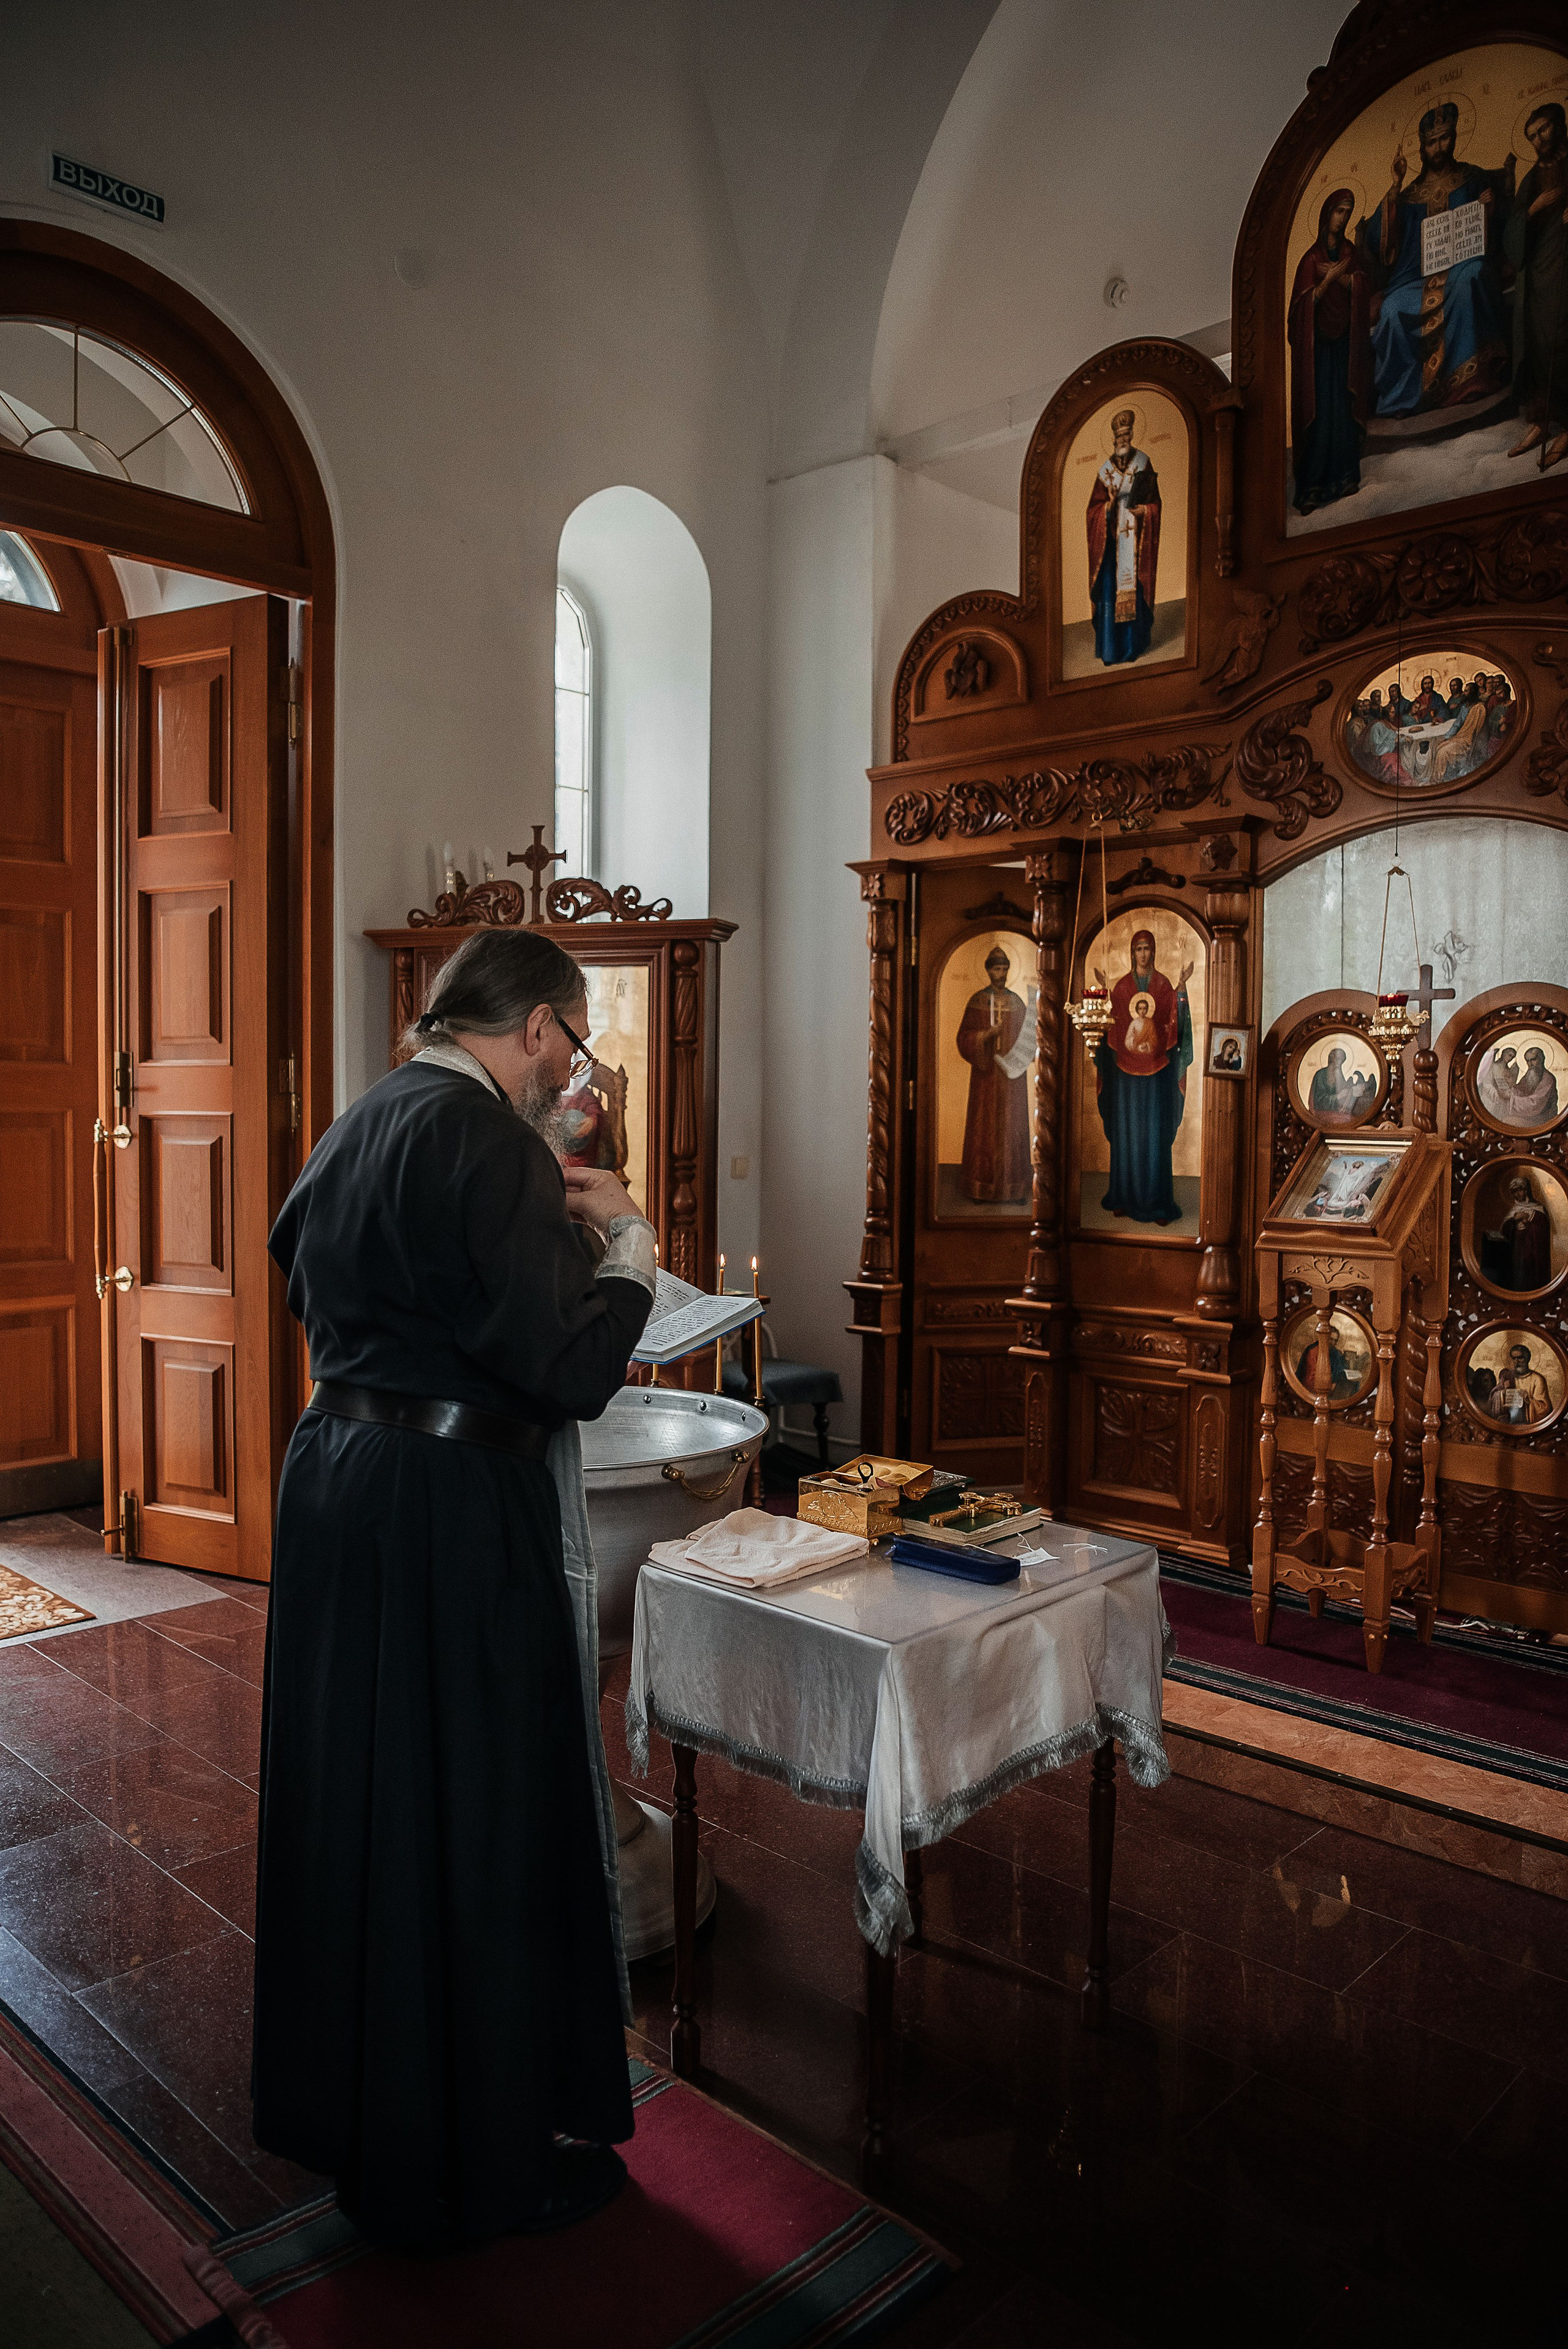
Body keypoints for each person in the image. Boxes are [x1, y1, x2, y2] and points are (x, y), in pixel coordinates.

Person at [254, 927, 656, 2252]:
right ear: (535, 1025)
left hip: (338, 1482)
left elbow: (295, 1259)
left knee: (366, 1804)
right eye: (569, 1044)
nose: (567, 1072)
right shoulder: (488, 1140)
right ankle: (485, 2161)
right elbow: (567, 1369)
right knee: (476, 1809)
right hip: (447, 1507)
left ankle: (376, 2128)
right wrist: (630, 1251)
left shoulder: (359, 1118)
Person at [1358, 104, 1511, 420]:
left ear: (1454, 138)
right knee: (1392, 309)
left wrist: (1490, 207)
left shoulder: (1473, 178)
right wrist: (1396, 186)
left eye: (1444, 139)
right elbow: (1377, 240)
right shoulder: (1409, 195)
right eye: (1432, 142)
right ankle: (1404, 397)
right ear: (1422, 148)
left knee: (1471, 277)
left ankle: (1469, 381)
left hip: (1462, 266)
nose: (1439, 148)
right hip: (1416, 278)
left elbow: (1502, 224)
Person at [1093, 929, 1193, 1223]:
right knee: (1127, 1133)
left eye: (1148, 948)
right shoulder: (1122, 988)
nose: (1143, 954)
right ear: (1132, 953)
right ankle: (1123, 1197)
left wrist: (1182, 989)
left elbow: (1177, 1025)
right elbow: (1111, 1024)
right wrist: (1104, 994)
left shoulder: (1163, 986)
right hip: (1125, 1078)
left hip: (1157, 1077)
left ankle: (1157, 1202)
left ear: (1154, 951)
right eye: (1139, 949)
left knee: (1154, 1134)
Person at [1288, 187, 1373, 515]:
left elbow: (1363, 287)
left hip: (1345, 347)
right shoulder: (1310, 260)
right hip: (1318, 352)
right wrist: (1326, 283)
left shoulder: (1350, 251)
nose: (1343, 218)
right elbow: (1297, 314)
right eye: (1339, 211)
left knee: (1342, 409)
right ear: (1327, 215)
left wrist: (1345, 280)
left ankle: (1347, 476)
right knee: (1321, 412)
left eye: (1348, 212)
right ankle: (1313, 487)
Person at [1504, 102, 1568, 472]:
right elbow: (1514, 231)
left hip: (1565, 265)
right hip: (1538, 274)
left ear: (1558, 125)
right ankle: (1543, 421)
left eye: (1543, 130)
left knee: (1562, 339)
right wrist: (1533, 209)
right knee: (1538, 343)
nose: (1538, 141)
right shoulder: (1532, 178)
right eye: (1531, 136)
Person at [1086, 409, 1161, 666]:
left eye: (1127, 435)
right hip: (1110, 545)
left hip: (1135, 542)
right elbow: (1092, 510)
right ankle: (1110, 651)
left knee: (1133, 592)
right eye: (1120, 437)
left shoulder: (1143, 462)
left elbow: (1155, 502)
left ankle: (1132, 648)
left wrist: (1145, 512)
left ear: (1132, 435)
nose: (1124, 440)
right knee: (1110, 593)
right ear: (1114, 439)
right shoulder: (1105, 471)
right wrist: (1107, 507)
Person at [957, 944, 1031, 1202]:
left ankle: (1015, 1188)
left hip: (1012, 1077)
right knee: (984, 1126)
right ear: (988, 971)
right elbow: (964, 1038)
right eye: (997, 969)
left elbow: (1027, 1036)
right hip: (986, 1077)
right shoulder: (977, 1001)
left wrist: (1024, 1049)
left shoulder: (1017, 1002)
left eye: (1004, 969)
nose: (1001, 974)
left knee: (1013, 1124)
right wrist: (986, 1036)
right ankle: (980, 1187)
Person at [1480, 1171, 1552, 1292]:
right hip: (1516, 1250)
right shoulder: (1514, 1210)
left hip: (1533, 1251)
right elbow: (1505, 1231)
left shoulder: (1538, 1209)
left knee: (1530, 1276)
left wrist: (1528, 1222)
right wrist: (1513, 1221)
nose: (1519, 1194)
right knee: (1518, 1275)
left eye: (1520, 1190)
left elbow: (1544, 1230)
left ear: (1526, 1190)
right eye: (1515, 1191)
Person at [1486, 1341, 1553, 1425]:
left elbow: (1545, 1409)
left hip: (1528, 1424)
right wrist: (1503, 1393)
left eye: (1520, 1358)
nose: (1517, 1362)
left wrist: (1528, 1400)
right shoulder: (1508, 1376)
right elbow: (1493, 1399)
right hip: (1508, 1423)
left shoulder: (1538, 1379)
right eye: (1514, 1358)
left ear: (1527, 1359)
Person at [1513, 1044, 1561, 1126]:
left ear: (1541, 1059)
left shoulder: (1548, 1079)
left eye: (1533, 1060)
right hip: (1529, 1116)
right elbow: (1519, 1089)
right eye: (1528, 1061)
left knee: (1510, 1121)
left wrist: (1512, 1099)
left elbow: (1535, 1104)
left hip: (1544, 1121)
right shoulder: (1529, 1076)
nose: (1530, 1064)